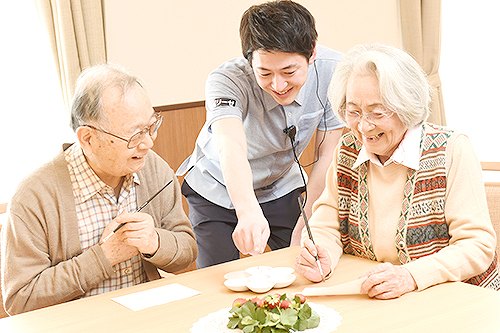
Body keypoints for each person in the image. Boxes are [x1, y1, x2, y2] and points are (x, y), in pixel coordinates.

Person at [296, 43, 500, 298]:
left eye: (377, 112)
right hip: (377, 296)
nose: (364, 126)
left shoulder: (451, 148)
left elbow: (477, 246)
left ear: (407, 106)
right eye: (353, 112)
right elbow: (328, 220)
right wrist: (322, 253)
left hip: (456, 297)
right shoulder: (347, 148)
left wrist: (411, 276)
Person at [0, 64, 197, 315]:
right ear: (88, 138)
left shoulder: (153, 169)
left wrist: (155, 242)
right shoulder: (34, 196)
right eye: (134, 135)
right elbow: (20, 300)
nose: (148, 143)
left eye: (151, 126)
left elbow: (187, 251)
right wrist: (104, 257)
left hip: (149, 318)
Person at [177, 0, 345, 268]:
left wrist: (310, 215)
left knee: (304, 263)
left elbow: (327, 154)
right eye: (264, 72)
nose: (278, 85)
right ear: (249, 60)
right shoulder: (226, 80)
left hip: (280, 185)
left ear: (312, 52)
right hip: (217, 188)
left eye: (289, 72)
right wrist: (247, 210)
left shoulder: (334, 70)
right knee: (219, 276)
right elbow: (230, 145)